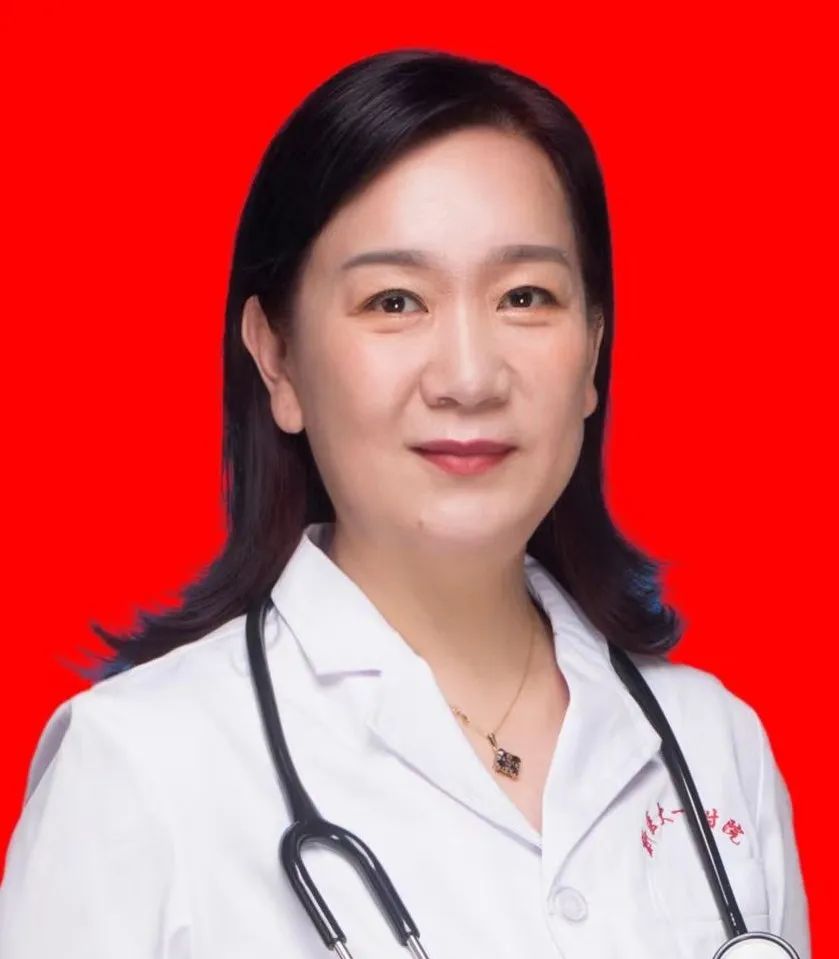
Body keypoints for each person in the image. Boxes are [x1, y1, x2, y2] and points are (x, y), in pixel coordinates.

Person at [0, 48, 810, 958]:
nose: (468, 376)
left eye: (525, 296)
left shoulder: (713, 745)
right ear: (277, 358)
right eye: (394, 301)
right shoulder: (137, 767)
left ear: (592, 350)